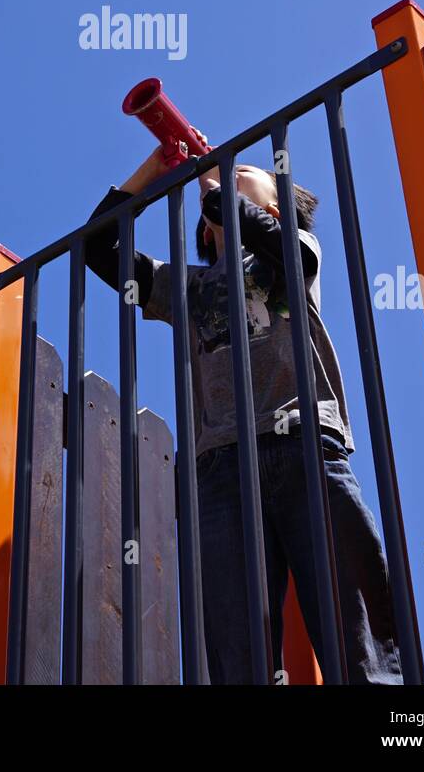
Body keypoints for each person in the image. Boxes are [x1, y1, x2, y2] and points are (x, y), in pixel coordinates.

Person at [84, 136, 403, 685]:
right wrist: (155, 170)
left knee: (352, 617)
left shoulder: (296, 253)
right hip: (220, 468)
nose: (222, 177)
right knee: (237, 642)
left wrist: (212, 187)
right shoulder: (187, 287)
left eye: (238, 175)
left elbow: (283, 245)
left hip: (303, 445)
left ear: (272, 208)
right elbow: (98, 250)